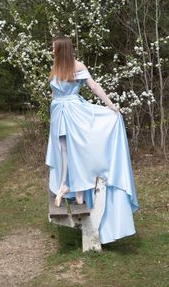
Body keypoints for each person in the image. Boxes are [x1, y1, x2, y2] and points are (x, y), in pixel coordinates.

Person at [45, 35, 139, 244]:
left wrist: (111, 106)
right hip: (58, 112)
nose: (52, 50)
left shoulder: (77, 65)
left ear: (62, 48)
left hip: (74, 112)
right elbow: (53, 94)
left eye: (54, 47)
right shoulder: (55, 66)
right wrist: (52, 112)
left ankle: (71, 187)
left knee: (74, 150)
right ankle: (68, 186)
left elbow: (93, 86)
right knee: (63, 150)